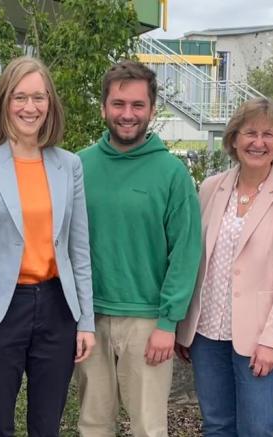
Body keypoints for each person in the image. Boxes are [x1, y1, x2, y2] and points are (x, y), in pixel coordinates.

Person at [0, 55, 95, 437]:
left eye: (39, 97)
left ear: (50, 103)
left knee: (46, 425)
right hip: (0, 311)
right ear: (4, 102)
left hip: (57, 309)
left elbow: (78, 249)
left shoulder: (69, 165)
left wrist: (86, 321)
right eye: (20, 97)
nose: (29, 107)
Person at [75, 60, 203, 437]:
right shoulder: (78, 166)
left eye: (137, 105)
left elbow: (186, 250)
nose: (127, 114)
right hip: (89, 319)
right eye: (118, 104)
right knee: (93, 424)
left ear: (151, 109)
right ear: (103, 107)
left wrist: (168, 322)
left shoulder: (171, 173)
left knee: (148, 427)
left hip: (148, 321)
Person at [174, 97, 273, 436]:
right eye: (250, 132)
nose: (258, 142)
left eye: (269, 134)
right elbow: (195, 260)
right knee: (217, 425)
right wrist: (183, 324)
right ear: (234, 139)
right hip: (207, 332)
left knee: (258, 428)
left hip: (260, 339)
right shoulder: (210, 188)